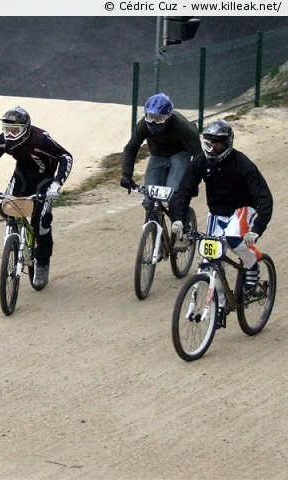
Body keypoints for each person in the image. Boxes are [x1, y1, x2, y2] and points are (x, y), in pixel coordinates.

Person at [169, 119, 273, 326]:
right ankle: (221, 306)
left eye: (217, 143)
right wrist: (178, 219)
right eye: (208, 142)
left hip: (243, 209)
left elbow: (264, 198)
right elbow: (184, 191)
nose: (211, 148)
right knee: (210, 261)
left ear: (228, 144)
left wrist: (257, 228)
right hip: (217, 213)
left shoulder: (243, 164)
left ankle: (252, 265)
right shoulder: (200, 162)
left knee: (234, 239)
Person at [0, 106, 73, 288]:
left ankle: (42, 263)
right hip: (21, 177)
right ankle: (14, 241)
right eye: (6, 130)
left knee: (41, 223)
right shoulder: (5, 140)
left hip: (45, 182)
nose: (10, 135)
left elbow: (66, 157)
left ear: (26, 129)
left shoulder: (40, 139)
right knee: (7, 208)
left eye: (15, 131)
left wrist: (56, 185)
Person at [120, 92, 201, 216]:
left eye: (159, 119)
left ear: (168, 116)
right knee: (149, 200)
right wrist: (126, 175)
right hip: (157, 155)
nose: (153, 122)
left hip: (180, 153)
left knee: (173, 196)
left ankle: (182, 225)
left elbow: (198, 156)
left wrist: (192, 183)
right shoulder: (143, 125)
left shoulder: (182, 126)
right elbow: (131, 148)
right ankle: (154, 227)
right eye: (150, 116)